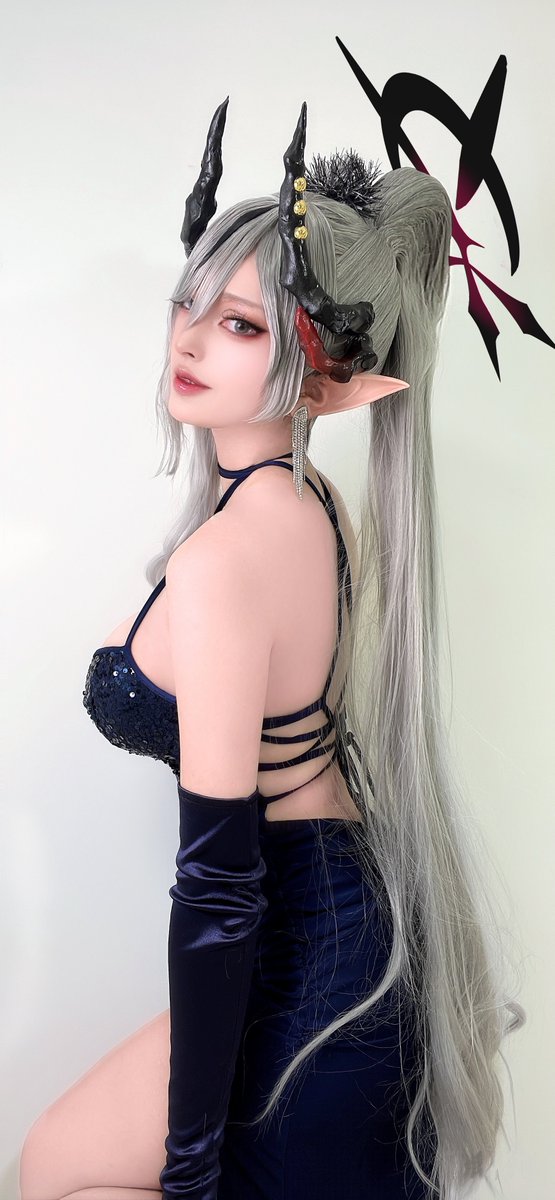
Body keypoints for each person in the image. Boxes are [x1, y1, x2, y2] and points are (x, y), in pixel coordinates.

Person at [19, 99, 525, 1200]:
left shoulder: (231, 555)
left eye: (242, 325)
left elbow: (219, 886)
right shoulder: (305, 506)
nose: (189, 340)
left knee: (54, 1170)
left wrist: (192, 1165)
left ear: (328, 372)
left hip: (300, 956)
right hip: (341, 929)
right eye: (188, 304)